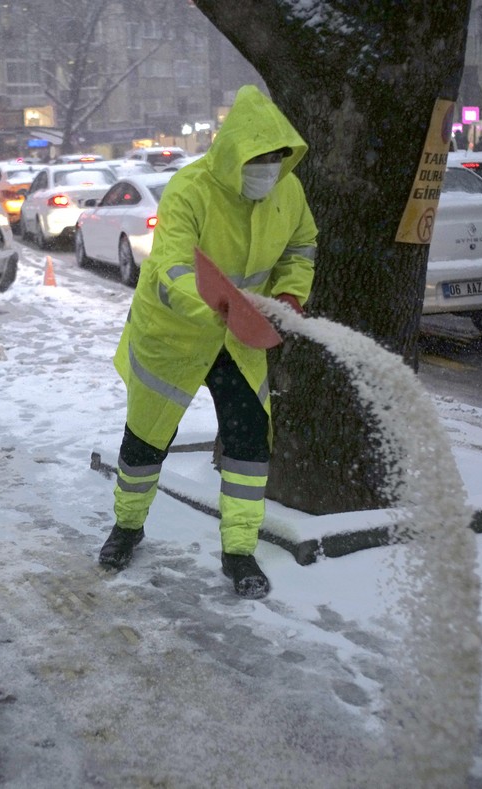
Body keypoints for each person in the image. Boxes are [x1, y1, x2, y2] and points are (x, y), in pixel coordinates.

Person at [97, 85, 317, 600]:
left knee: (247, 445)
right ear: (234, 153)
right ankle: (127, 528)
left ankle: (239, 550)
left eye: (277, 158)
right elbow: (172, 266)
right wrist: (220, 308)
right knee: (147, 440)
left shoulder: (288, 192)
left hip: (240, 339)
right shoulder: (190, 189)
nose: (269, 168)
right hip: (173, 334)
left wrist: (289, 292)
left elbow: (303, 245)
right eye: (259, 159)